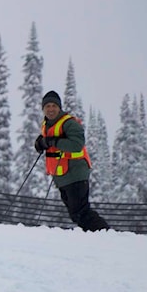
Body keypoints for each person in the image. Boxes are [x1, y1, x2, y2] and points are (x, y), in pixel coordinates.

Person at [34, 90, 109, 232]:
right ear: (43, 108)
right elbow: (50, 142)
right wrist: (41, 143)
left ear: (59, 107)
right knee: (76, 214)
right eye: (47, 106)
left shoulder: (69, 123)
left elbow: (77, 145)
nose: (50, 109)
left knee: (81, 212)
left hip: (75, 173)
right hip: (62, 176)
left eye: (54, 106)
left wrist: (51, 142)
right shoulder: (47, 124)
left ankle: (105, 233)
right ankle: (99, 234)